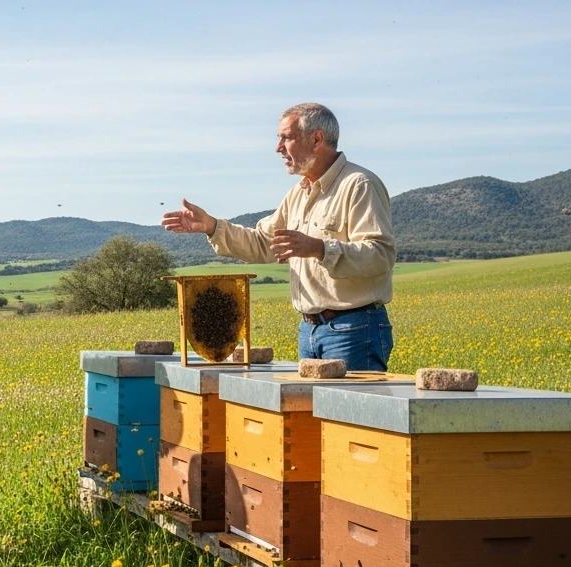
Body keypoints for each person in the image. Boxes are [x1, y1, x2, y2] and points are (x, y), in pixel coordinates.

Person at [162, 103, 396, 371]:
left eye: (286, 137)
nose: (278, 147)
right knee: (312, 414)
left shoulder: (359, 185)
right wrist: (212, 227)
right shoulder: (298, 193)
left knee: (351, 413)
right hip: (309, 329)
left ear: (317, 139)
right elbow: (264, 243)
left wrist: (319, 248)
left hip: (354, 330)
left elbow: (380, 255)